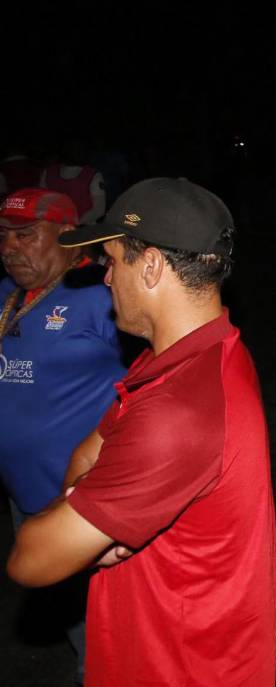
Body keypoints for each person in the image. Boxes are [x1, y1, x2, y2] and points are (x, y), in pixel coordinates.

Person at [7, 177, 276, 686]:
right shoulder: (191, 356)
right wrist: (93, 521)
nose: (107, 279)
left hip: (179, 667)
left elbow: (30, 559)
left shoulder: (178, 412)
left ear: (150, 265)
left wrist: (83, 523)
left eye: (112, 261)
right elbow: (90, 453)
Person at [0, 188, 125, 683]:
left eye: (26, 234)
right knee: (71, 614)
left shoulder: (101, 297)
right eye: (4, 236)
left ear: (69, 238)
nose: (11, 247)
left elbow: (156, 380)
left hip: (84, 501)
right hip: (24, 494)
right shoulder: (4, 297)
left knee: (107, 627)